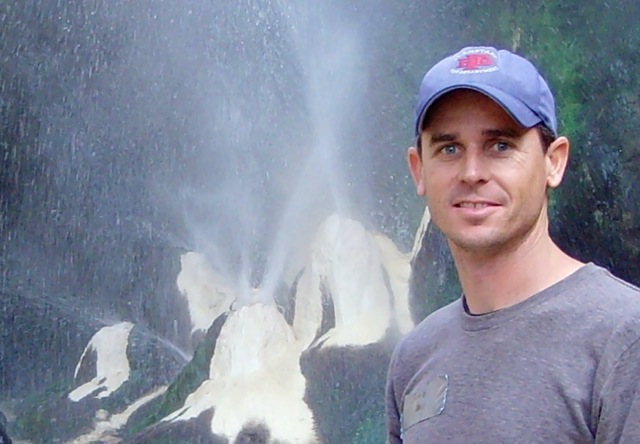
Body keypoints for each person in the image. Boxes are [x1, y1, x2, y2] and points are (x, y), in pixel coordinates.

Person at [385, 46, 640, 443]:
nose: (471, 173)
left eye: (500, 146)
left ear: (554, 161)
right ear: (419, 170)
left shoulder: (623, 337)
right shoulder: (415, 356)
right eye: (449, 149)